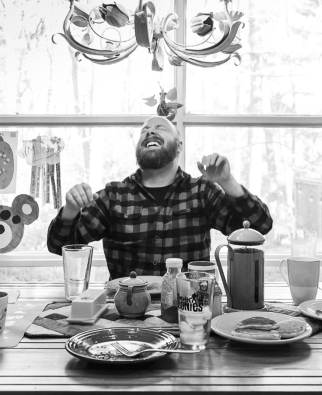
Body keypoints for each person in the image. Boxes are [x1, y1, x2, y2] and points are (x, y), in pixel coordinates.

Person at [47, 116, 273, 279]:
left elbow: (260, 225)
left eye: (160, 128)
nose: (150, 131)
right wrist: (70, 209)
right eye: (145, 130)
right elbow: (59, 245)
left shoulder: (202, 192)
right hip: (126, 312)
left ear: (179, 146)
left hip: (189, 310)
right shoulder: (113, 196)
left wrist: (227, 182)